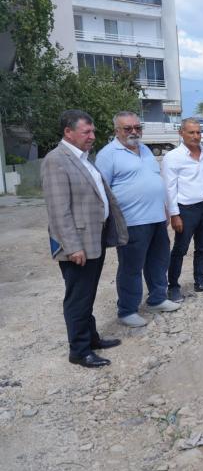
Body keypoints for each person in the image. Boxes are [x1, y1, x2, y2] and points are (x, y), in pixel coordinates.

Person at [42, 110, 128, 368]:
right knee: (78, 296)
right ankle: (79, 350)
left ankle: (90, 338)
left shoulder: (82, 158)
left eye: (92, 131)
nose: (92, 136)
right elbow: (59, 209)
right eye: (86, 132)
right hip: (77, 244)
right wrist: (72, 246)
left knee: (87, 292)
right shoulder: (56, 160)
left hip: (94, 237)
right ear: (68, 132)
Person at [95, 111, 181, 327]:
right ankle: (127, 310)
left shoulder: (144, 150)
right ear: (117, 131)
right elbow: (100, 191)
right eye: (128, 128)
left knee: (159, 261)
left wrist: (165, 207)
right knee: (131, 267)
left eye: (137, 127)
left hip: (155, 218)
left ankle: (157, 299)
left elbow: (153, 180)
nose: (134, 132)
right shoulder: (108, 154)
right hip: (131, 222)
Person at [161, 118, 203, 302]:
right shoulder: (172, 157)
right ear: (181, 133)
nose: (196, 136)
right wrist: (174, 214)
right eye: (191, 132)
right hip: (185, 210)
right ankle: (172, 286)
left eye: (198, 132)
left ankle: (201, 281)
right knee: (180, 249)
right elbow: (169, 188)